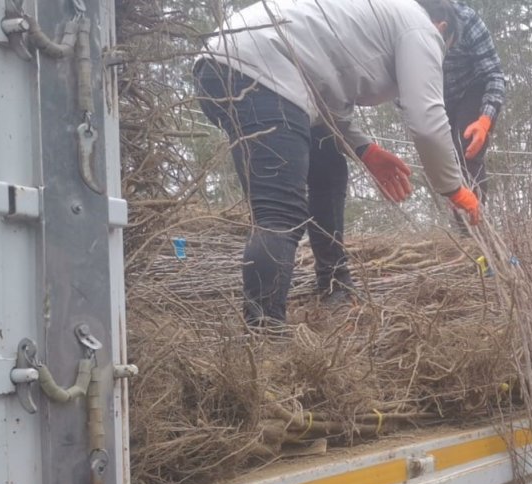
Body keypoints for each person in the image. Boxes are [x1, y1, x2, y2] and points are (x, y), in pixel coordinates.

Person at [195, 0, 479, 328]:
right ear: (442, 29)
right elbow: (427, 120)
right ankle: (265, 337)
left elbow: (326, 98)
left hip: (230, 65)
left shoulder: (376, 16)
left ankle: (335, 287)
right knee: (279, 215)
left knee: (328, 166)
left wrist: (366, 150)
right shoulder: (420, 26)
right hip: (260, 69)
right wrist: (454, 188)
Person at [439, 0, 505, 199]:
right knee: (444, 160)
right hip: (434, 96)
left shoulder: (467, 20)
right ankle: (460, 219)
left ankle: (475, 224)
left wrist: (485, 120)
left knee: (465, 149)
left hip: (471, 88)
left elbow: (494, 75)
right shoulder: (405, 21)